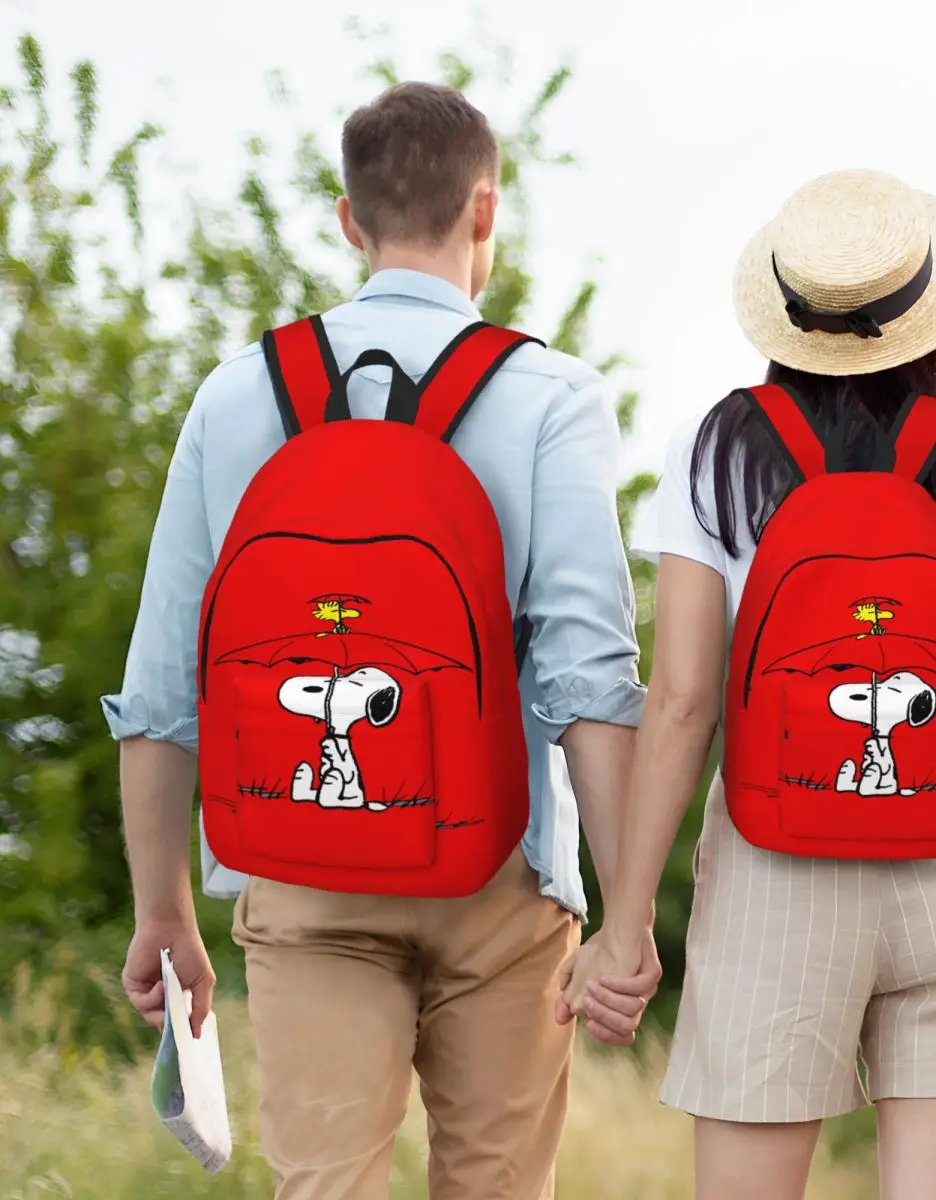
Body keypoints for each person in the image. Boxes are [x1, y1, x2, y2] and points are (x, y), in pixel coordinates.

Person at [105, 81, 661, 1200]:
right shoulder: (550, 396)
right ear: (486, 213)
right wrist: (628, 916)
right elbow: (589, 678)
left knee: (325, 1186)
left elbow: (164, 683)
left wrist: (162, 910)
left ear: (349, 219)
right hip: (502, 868)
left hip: (301, 867)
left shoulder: (237, 395)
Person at [561, 169, 936, 1200]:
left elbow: (681, 706)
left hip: (773, 877)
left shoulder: (717, 453)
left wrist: (624, 927)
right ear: (924, 316)